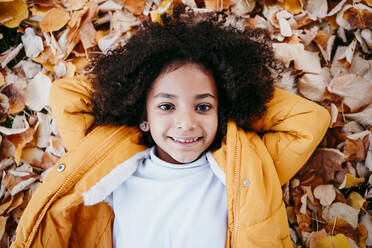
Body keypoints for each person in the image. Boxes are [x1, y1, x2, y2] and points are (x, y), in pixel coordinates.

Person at [11, 7, 330, 248]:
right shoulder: (114, 163)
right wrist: (124, 96)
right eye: (166, 106)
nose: (187, 123)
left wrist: (242, 101)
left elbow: (309, 121)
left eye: (203, 106)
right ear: (144, 113)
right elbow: (65, 95)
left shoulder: (244, 163)